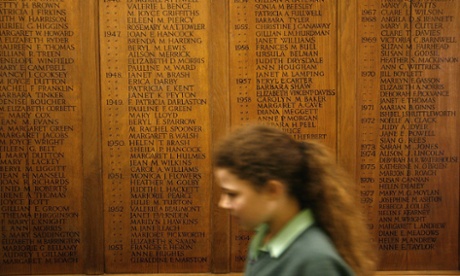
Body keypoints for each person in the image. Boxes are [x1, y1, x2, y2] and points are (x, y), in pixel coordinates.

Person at [213, 124, 377, 276]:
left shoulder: (315, 261)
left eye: (232, 194)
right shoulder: (263, 239)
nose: (223, 203)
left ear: (273, 191)